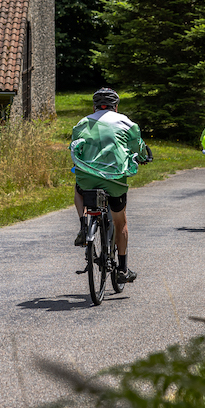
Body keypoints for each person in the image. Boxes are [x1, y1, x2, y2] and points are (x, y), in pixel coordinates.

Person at [70, 87, 146, 284]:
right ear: (116, 106)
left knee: (78, 189)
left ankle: (82, 225)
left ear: (94, 106)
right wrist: (144, 157)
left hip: (87, 178)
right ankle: (122, 268)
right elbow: (138, 148)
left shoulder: (82, 123)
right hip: (114, 180)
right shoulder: (127, 123)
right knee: (120, 222)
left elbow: (74, 145)